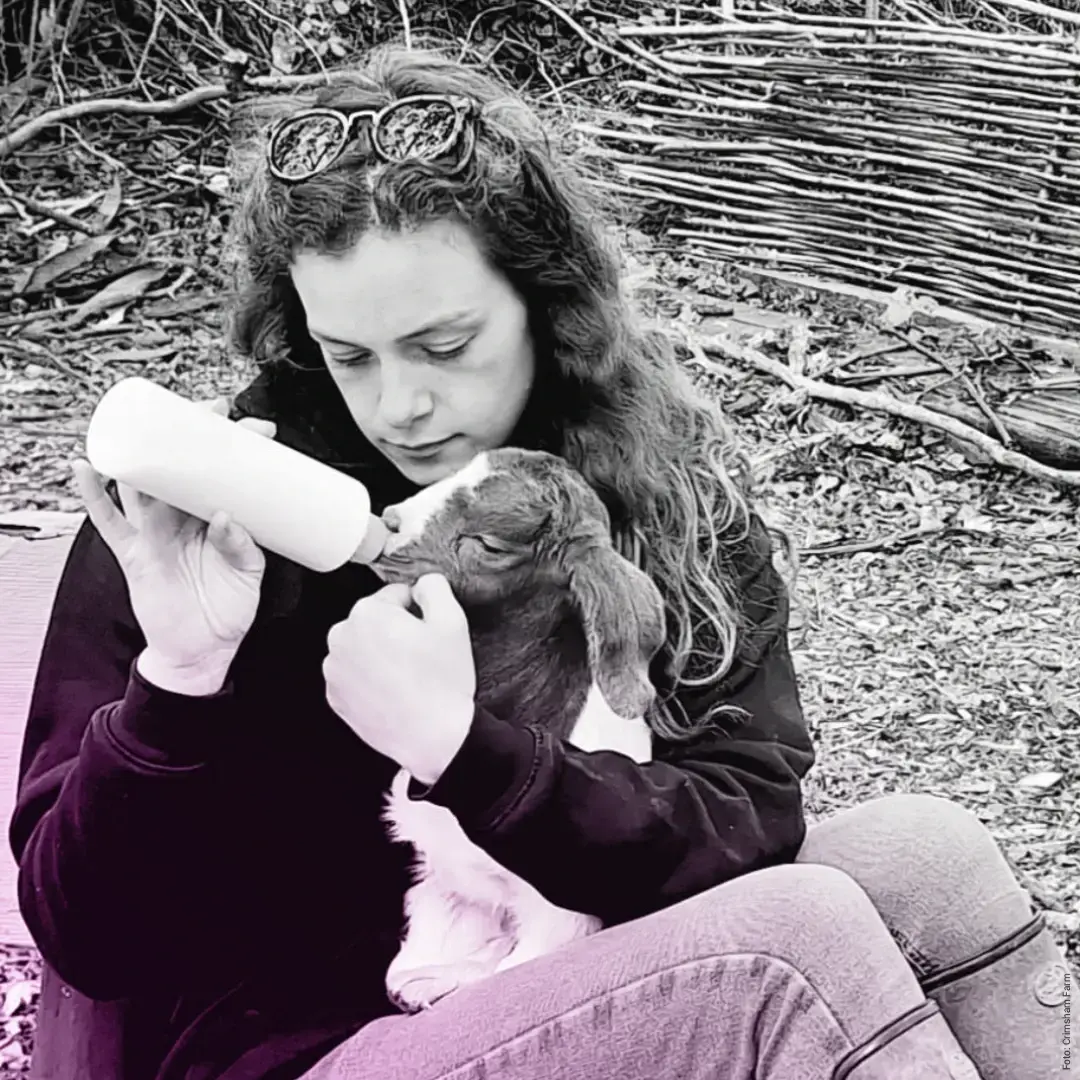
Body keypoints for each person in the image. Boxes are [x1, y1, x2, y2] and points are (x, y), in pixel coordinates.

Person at [10, 44, 1071, 1080]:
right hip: (308, 1045)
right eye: (349, 357)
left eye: (445, 345)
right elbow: (86, 940)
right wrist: (179, 679)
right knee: (789, 948)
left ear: (545, 308)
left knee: (924, 857)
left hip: (561, 961)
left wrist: (472, 757)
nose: (399, 405)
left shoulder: (651, 501)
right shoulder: (214, 524)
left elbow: (743, 822)